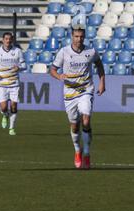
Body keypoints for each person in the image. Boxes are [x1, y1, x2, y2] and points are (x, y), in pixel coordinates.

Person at [50, 26, 106, 169]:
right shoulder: (64, 52)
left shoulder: (91, 51)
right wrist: (59, 76)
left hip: (86, 90)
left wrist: (102, 82)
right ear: (72, 37)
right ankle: (77, 151)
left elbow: (99, 65)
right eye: (76, 36)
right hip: (70, 93)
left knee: (86, 120)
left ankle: (87, 153)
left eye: (81, 37)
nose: (78, 39)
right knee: (75, 126)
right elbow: (52, 69)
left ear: (84, 37)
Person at [0, 32, 26, 135]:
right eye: (6, 39)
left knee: (14, 106)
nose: (8, 41)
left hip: (14, 83)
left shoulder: (18, 51)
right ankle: (5, 115)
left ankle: (11, 128)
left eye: (10, 39)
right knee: (4, 107)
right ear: (3, 40)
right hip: (2, 82)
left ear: (12, 40)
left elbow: (24, 65)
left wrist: (19, 67)